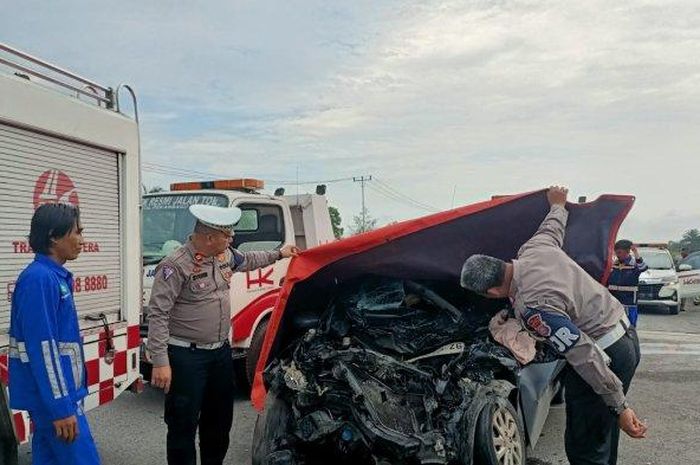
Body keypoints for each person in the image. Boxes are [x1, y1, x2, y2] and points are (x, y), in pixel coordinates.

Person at [460, 186, 647, 465]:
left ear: (490, 292)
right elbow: (552, 227)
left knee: (585, 447)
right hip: (624, 335)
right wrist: (558, 204)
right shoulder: (533, 248)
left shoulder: (534, 308)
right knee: (601, 432)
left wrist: (620, 405)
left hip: (604, 355)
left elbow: (582, 352)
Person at [147, 204, 299, 465]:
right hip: (186, 357)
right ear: (209, 237)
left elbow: (250, 260)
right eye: (227, 235)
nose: (232, 240)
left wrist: (279, 254)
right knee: (182, 427)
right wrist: (161, 362)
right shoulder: (175, 266)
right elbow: (158, 314)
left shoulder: (225, 255)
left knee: (218, 424)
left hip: (219, 354)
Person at [9, 203, 101, 465]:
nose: (82, 240)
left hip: (54, 399)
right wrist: (60, 408)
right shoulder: (39, 279)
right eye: (77, 232)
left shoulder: (52, 276)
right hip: (54, 403)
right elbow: (44, 350)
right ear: (53, 235)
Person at [608, 240, 648, 327]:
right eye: (616, 252)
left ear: (627, 252)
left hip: (629, 302)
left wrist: (635, 252)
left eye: (619, 252)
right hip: (614, 301)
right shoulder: (613, 264)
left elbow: (643, 267)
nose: (617, 255)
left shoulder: (634, 264)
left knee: (630, 325)